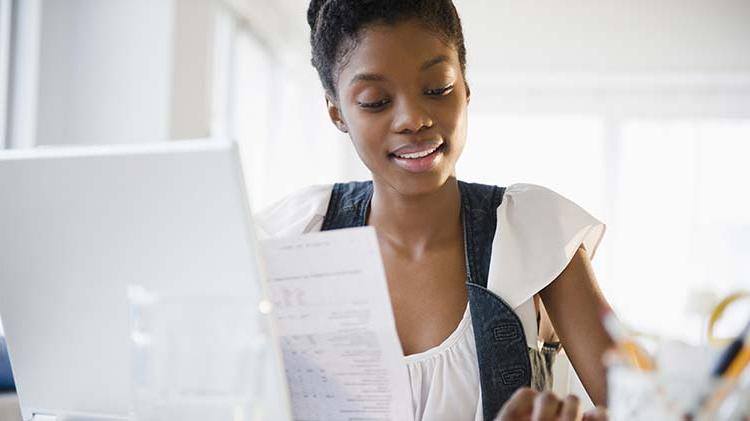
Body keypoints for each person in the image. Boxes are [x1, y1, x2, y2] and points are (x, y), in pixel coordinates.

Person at [256, 1, 614, 420]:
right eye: (375, 101)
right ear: (337, 112)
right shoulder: (296, 238)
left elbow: (653, 410)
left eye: (438, 88)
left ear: (465, 86)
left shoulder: (535, 238)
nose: (413, 118)